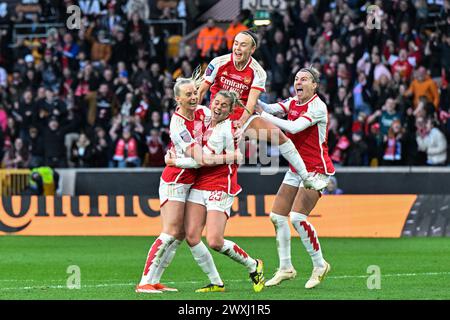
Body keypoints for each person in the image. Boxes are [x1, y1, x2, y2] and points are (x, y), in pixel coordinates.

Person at [135, 71, 241, 294]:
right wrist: (230, 157)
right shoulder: (178, 126)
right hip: (175, 180)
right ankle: (144, 281)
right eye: (188, 94)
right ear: (178, 100)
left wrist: (236, 132)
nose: (194, 97)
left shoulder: (203, 112)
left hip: (192, 180)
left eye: (195, 92)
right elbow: (200, 160)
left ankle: (155, 280)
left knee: (181, 235)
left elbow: (223, 125)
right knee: (171, 230)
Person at [198, 30, 326, 191]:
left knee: (277, 134)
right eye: (236, 43)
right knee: (210, 157)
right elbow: (202, 90)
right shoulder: (218, 62)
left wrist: (240, 123)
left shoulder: (258, 72)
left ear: (252, 49)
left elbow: (251, 103)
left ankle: (306, 177)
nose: (237, 48)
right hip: (217, 116)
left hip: (242, 117)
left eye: (243, 45)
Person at [167, 90, 265, 293]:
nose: (218, 107)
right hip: (200, 182)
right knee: (192, 236)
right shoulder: (203, 115)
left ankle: (253, 265)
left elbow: (203, 159)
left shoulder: (226, 129)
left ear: (231, 110)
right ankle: (216, 282)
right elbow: (188, 112)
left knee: (214, 240)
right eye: (216, 103)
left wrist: (173, 161)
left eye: (224, 106)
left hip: (221, 183)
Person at [255, 66, 334, 289]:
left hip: (315, 169)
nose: (299, 82)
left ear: (314, 85)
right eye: (297, 78)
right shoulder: (293, 102)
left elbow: (294, 127)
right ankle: (286, 268)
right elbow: (268, 107)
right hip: (296, 169)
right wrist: (251, 96)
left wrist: (264, 116)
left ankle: (320, 265)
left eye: (305, 79)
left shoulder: (318, 107)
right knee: (277, 217)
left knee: (297, 218)